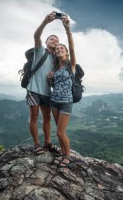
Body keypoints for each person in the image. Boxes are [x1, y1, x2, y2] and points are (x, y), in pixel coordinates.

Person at [26, 11, 61, 155]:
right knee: (34, 117)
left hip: (47, 92)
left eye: (56, 40)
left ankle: (47, 143)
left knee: (47, 118)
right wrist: (45, 22)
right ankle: (36, 144)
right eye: (52, 39)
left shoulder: (56, 59)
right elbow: (36, 36)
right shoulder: (40, 51)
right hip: (34, 89)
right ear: (46, 42)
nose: (54, 41)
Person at [48, 14, 77, 168]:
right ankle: (62, 153)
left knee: (60, 132)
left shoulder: (70, 64)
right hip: (54, 102)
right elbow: (54, 85)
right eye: (57, 48)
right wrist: (50, 78)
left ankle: (67, 156)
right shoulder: (55, 67)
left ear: (65, 52)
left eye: (61, 48)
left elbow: (72, 47)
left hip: (66, 102)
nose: (59, 49)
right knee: (58, 132)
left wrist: (68, 30)